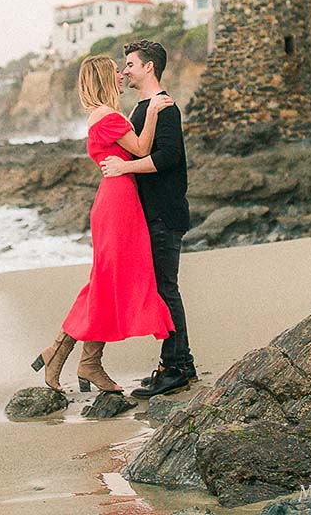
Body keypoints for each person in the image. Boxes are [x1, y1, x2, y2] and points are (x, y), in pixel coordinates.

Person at [31, 54, 176, 394]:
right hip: (117, 204)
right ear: (103, 79)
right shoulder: (107, 116)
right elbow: (141, 149)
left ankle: (67, 353)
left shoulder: (106, 115)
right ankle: (80, 359)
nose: (123, 75)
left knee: (107, 282)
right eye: (115, 71)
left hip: (119, 201)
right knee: (107, 282)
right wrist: (153, 112)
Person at [100, 39, 195, 399]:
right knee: (162, 289)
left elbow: (169, 156)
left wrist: (125, 167)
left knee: (165, 290)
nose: (125, 71)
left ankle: (176, 368)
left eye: (129, 65)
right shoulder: (145, 108)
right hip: (152, 214)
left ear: (148, 67)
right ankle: (180, 363)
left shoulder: (164, 106)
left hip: (165, 213)